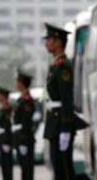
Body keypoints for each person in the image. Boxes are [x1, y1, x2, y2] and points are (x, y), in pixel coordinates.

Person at [42, 23, 75, 180]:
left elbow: (66, 99)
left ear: (59, 42)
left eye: (49, 39)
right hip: (55, 123)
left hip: (61, 123)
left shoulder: (63, 67)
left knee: (64, 169)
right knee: (58, 169)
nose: (47, 43)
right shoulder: (55, 66)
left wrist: (66, 129)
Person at [14, 71, 35, 180]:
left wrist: (23, 140)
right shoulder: (22, 99)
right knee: (24, 167)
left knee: (27, 168)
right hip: (21, 137)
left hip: (25, 138)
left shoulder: (26, 100)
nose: (15, 84)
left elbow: (26, 122)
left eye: (17, 81)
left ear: (22, 83)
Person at [0, 87, 14, 180]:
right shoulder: (2, 108)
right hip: (2, 140)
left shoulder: (7, 108)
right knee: (4, 166)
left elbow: (8, 126)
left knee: (7, 166)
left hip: (6, 141)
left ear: (3, 96)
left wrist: (7, 142)